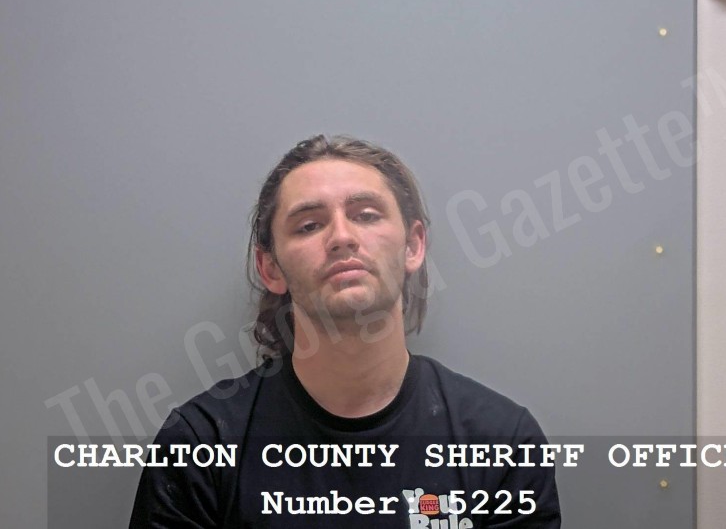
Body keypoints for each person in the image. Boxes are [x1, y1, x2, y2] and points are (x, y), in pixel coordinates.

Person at [129, 135, 561, 528]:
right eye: (309, 225)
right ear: (270, 267)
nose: (341, 237)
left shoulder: (503, 443)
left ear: (413, 246)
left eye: (366, 215)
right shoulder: (199, 447)